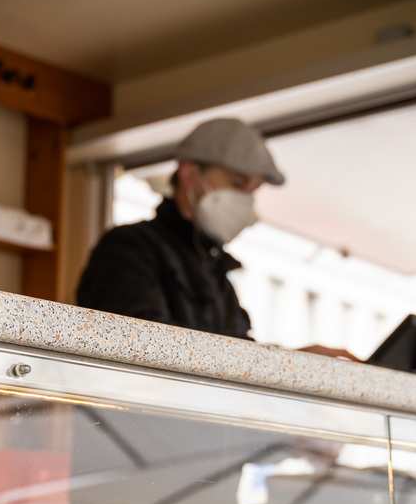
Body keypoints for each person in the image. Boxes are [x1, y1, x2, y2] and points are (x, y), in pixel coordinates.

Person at [77, 117, 353, 357]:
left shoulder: (216, 271)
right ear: (190, 174)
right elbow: (142, 351)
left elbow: (234, 361)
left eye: (252, 191)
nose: (245, 201)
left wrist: (291, 364)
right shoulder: (129, 249)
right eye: (237, 184)